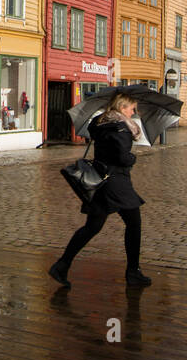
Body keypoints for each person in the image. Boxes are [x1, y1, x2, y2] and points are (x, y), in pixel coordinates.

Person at [49, 93, 151, 287]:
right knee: (134, 223)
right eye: (132, 108)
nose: (133, 112)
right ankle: (133, 271)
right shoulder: (121, 128)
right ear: (122, 108)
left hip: (100, 180)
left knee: (93, 226)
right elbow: (121, 157)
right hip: (116, 183)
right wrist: (132, 159)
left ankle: (62, 265)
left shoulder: (102, 124)